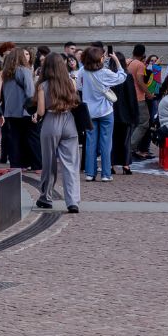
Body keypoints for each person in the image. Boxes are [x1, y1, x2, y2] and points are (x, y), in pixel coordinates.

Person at [32, 54, 82, 213]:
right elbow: (75, 103)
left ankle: (46, 197)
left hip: (51, 120)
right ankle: (72, 200)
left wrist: (36, 114)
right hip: (68, 120)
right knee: (71, 163)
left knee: (49, 162)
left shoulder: (42, 85)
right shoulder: (71, 82)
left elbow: (40, 111)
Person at [74, 47, 126, 183]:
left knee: (90, 142)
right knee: (106, 143)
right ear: (100, 59)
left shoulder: (82, 71)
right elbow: (122, 77)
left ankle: (90, 173)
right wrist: (116, 60)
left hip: (89, 112)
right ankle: (105, 174)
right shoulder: (104, 72)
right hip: (105, 111)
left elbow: (78, 87)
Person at [125, 44, 152, 162]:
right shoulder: (140, 65)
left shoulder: (127, 61)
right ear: (143, 54)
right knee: (144, 122)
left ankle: (128, 147)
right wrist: (149, 93)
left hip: (127, 98)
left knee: (132, 124)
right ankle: (130, 147)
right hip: (139, 98)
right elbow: (140, 81)